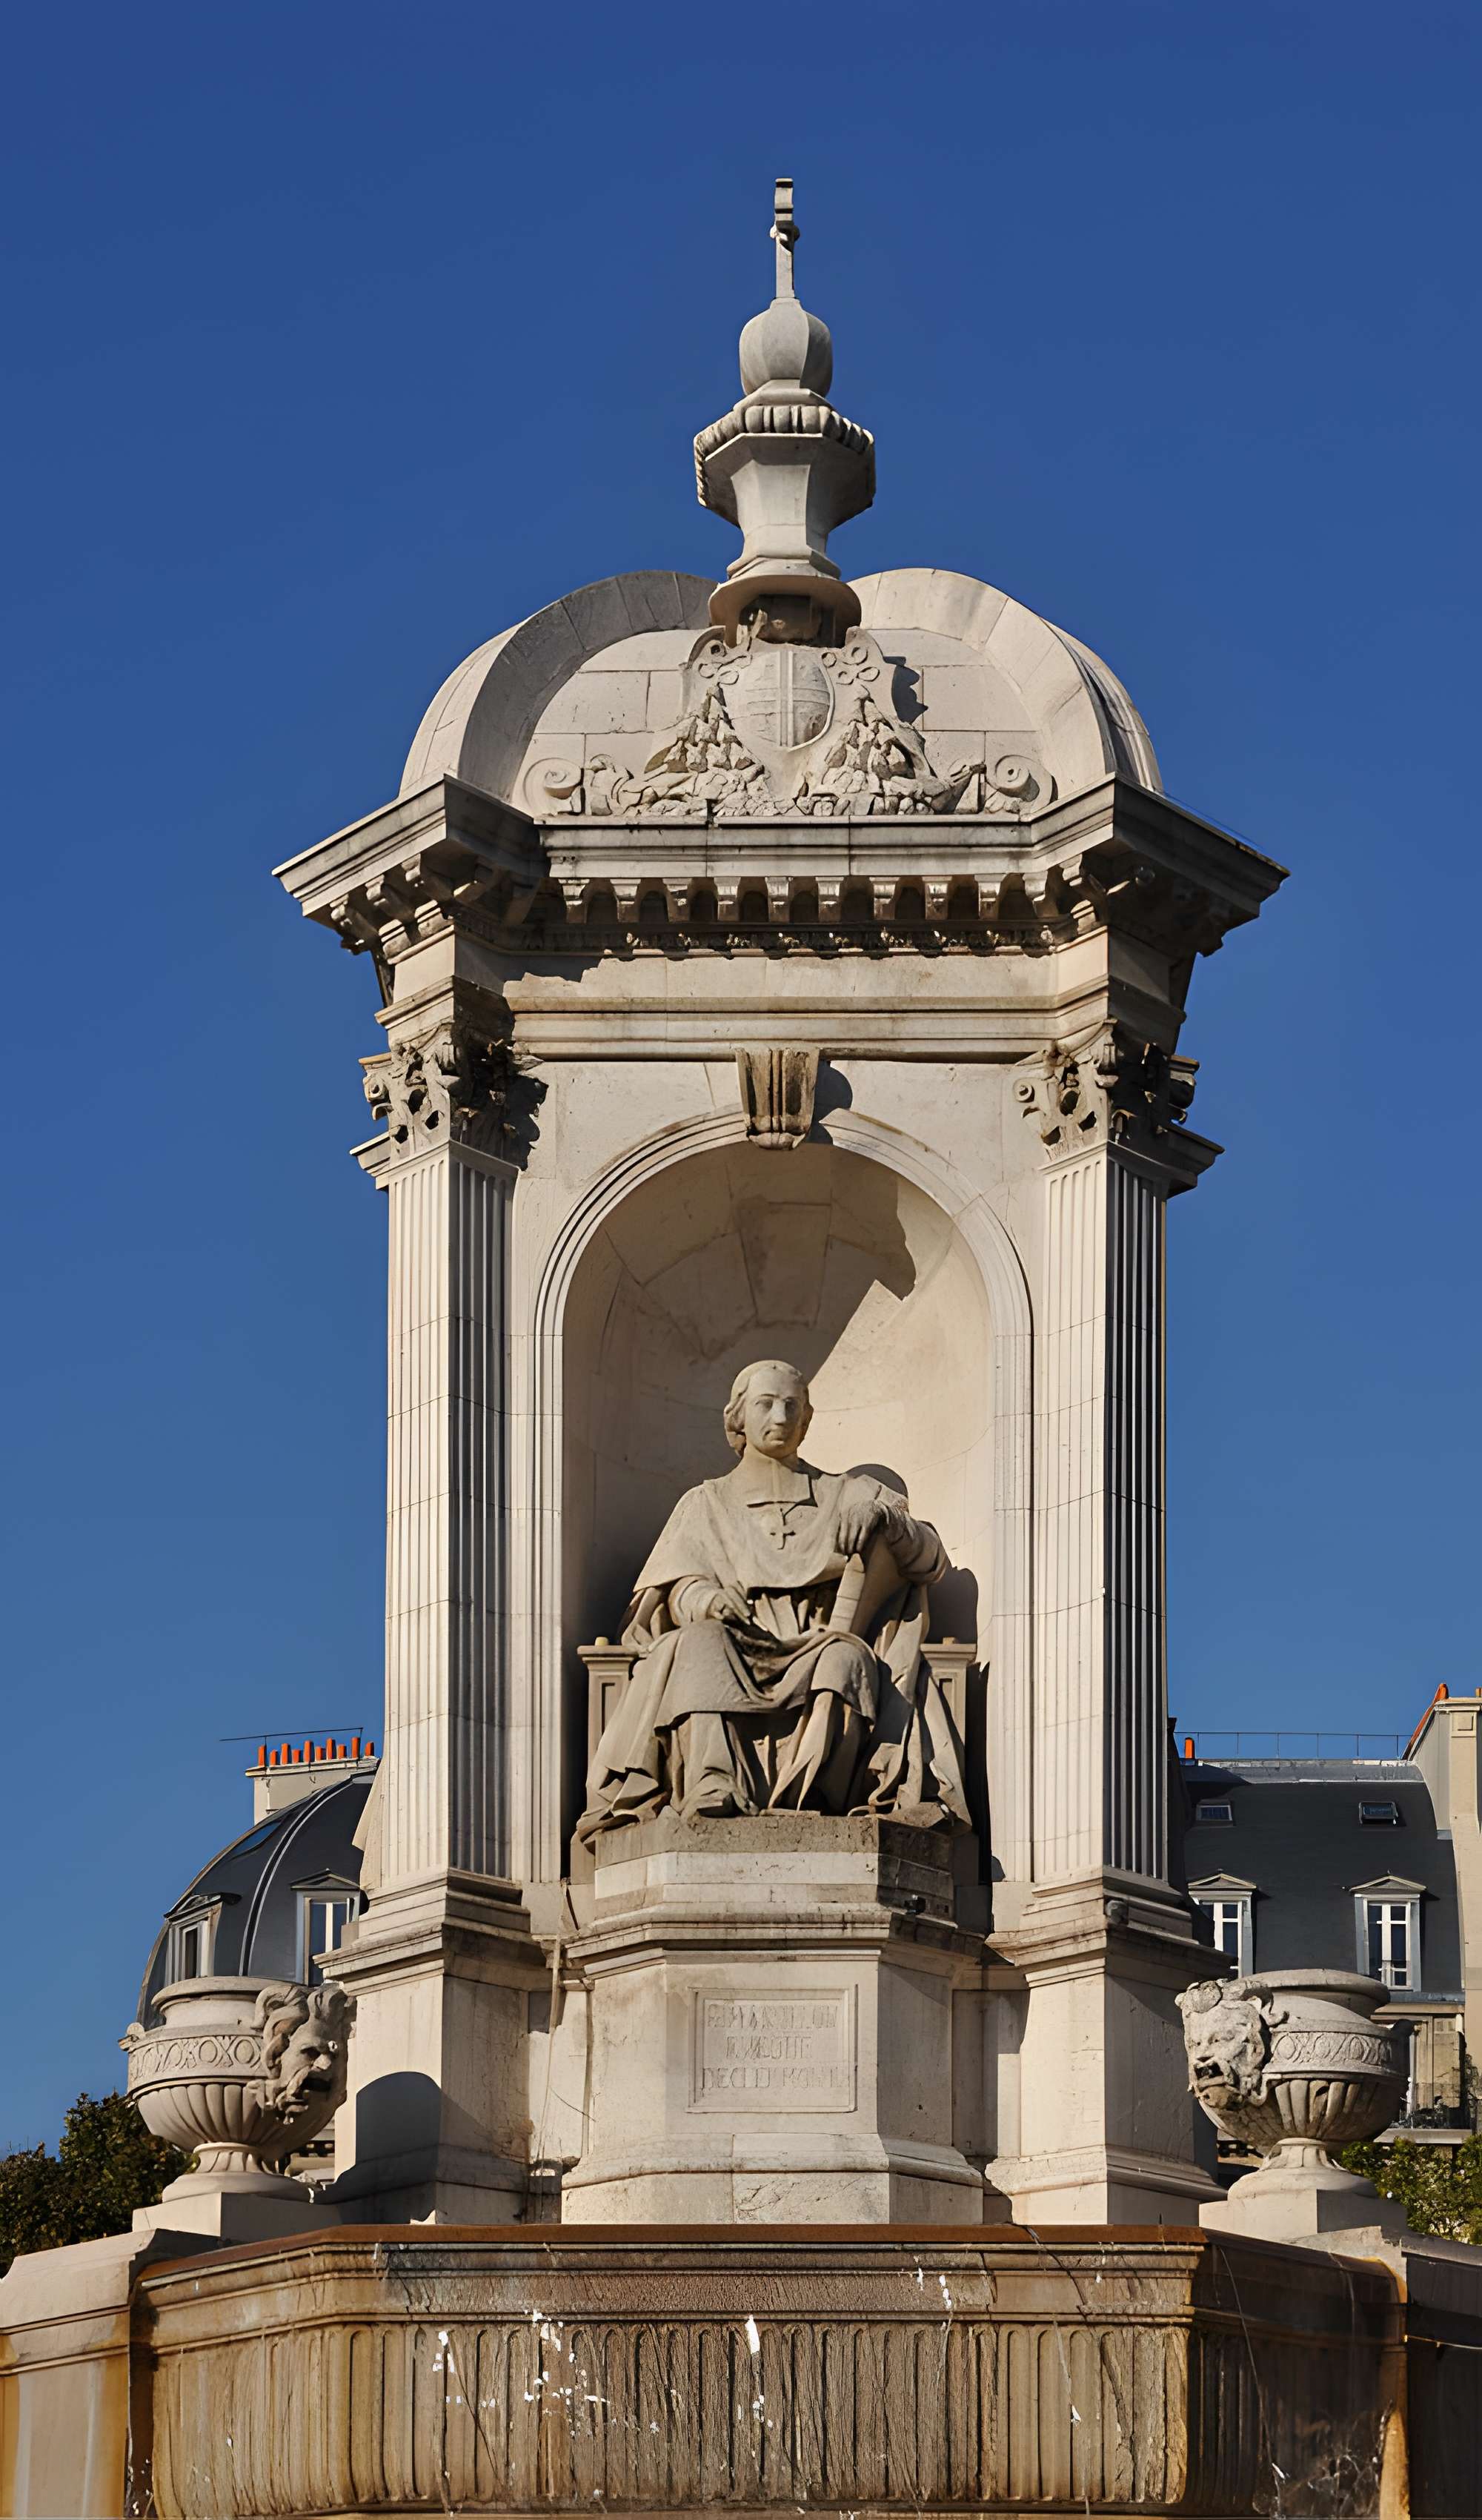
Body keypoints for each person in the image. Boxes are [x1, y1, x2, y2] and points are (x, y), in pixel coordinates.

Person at [577, 1358, 967, 1836]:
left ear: (806, 1419)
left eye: (791, 1406)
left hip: (820, 1644)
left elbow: (932, 1561)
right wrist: (708, 1601)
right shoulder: (705, 1503)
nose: (780, 1417)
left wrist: (887, 1520)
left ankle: (818, 1801)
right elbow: (672, 1595)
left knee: (845, 1658)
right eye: (766, 1404)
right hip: (734, 1641)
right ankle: (711, 1785)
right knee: (697, 1644)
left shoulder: (852, 1494)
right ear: (738, 1417)